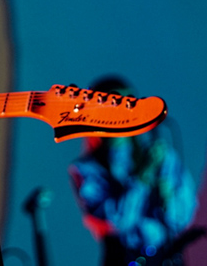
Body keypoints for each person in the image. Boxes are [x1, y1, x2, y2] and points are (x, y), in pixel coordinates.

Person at [68, 77, 199, 266]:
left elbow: (182, 217)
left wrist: (167, 197)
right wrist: (142, 177)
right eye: (113, 104)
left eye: (128, 103)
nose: (122, 112)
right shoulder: (86, 170)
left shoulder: (160, 156)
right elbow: (118, 221)